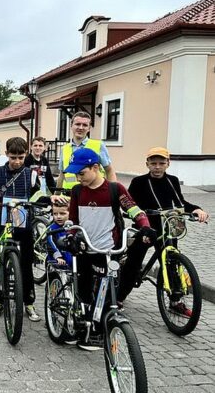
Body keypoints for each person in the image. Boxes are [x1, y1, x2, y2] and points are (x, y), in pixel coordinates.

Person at [63, 148, 154, 350]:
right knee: (84, 289)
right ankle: (83, 326)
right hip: (85, 248)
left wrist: (145, 226)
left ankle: (100, 327)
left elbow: (133, 209)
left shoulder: (115, 189)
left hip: (108, 250)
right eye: (76, 174)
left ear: (95, 168)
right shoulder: (77, 191)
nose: (78, 177)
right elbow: (73, 219)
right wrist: (71, 236)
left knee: (108, 289)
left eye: (82, 173)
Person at [120, 147, 209, 311]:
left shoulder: (172, 180)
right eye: (153, 163)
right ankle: (119, 297)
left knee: (172, 263)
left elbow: (180, 203)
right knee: (134, 262)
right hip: (147, 227)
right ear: (147, 164)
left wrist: (196, 209)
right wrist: (139, 214)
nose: (157, 167)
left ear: (168, 163)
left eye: (161, 163)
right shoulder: (139, 182)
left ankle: (175, 302)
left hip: (169, 226)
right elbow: (129, 205)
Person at [0, 137, 42, 322]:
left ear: (26, 155)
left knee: (26, 264)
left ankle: (29, 302)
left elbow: (39, 195)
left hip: (23, 224)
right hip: (2, 223)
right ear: (6, 154)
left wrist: (47, 200)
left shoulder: (31, 175)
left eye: (21, 157)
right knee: (0, 261)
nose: (17, 161)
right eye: (13, 157)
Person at [56, 111, 117, 189]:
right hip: (67, 196)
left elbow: (109, 170)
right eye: (77, 124)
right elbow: (62, 175)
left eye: (85, 125)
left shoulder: (98, 145)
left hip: (92, 194)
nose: (81, 128)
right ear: (71, 126)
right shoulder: (64, 149)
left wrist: (113, 192)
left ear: (89, 128)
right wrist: (57, 194)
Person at [46, 201, 73, 268]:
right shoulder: (52, 229)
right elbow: (51, 244)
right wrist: (58, 257)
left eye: (62, 213)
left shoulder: (73, 226)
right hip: (58, 258)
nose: (58, 217)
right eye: (55, 214)